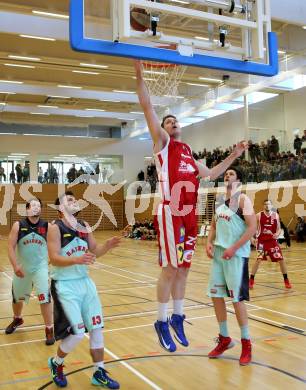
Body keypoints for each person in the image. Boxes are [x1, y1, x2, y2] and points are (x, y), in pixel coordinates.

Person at [134, 60, 248, 353]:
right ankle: (160, 321)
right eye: (168, 121)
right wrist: (139, 73)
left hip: (189, 216)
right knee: (170, 268)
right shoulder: (163, 145)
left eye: (175, 121)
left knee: (183, 269)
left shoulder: (187, 151)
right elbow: (148, 107)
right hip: (170, 212)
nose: (173, 123)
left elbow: (211, 174)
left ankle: (177, 316)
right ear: (162, 129)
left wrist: (234, 154)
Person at [47, 191, 120, 388]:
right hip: (64, 285)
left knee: (97, 328)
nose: (73, 201)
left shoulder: (85, 227)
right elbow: (53, 258)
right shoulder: (55, 228)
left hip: (85, 283)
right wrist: (77, 259)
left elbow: (95, 251)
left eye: (74, 199)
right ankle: (56, 363)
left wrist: (108, 245)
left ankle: (99, 372)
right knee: (78, 333)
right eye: (68, 200)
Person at [206, 167, 256, 365]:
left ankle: (246, 342)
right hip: (219, 254)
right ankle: (225, 338)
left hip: (235, 255)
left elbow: (253, 227)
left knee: (236, 300)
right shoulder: (219, 200)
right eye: (226, 174)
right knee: (216, 296)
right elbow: (213, 225)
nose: (227, 175)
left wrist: (234, 248)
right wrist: (209, 241)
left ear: (239, 180)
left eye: (231, 174)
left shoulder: (243, 200)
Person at [5, 199, 54, 345]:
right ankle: (17, 319)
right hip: (23, 268)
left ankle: (49, 328)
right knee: (17, 297)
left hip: (40, 268)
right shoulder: (18, 225)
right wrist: (15, 266)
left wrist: (52, 258)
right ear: (27, 209)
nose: (36, 208)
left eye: (39, 206)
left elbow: (54, 244)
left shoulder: (47, 226)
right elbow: (10, 246)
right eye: (33, 205)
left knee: (44, 296)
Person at [249, 200, 292, 289]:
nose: (267, 205)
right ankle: (251, 279)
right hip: (261, 242)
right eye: (265, 204)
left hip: (272, 242)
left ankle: (286, 280)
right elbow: (250, 226)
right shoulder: (258, 215)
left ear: (271, 205)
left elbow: (279, 228)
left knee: (281, 259)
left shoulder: (276, 215)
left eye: (269, 204)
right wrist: (251, 238)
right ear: (263, 206)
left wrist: (277, 233)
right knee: (259, 259)